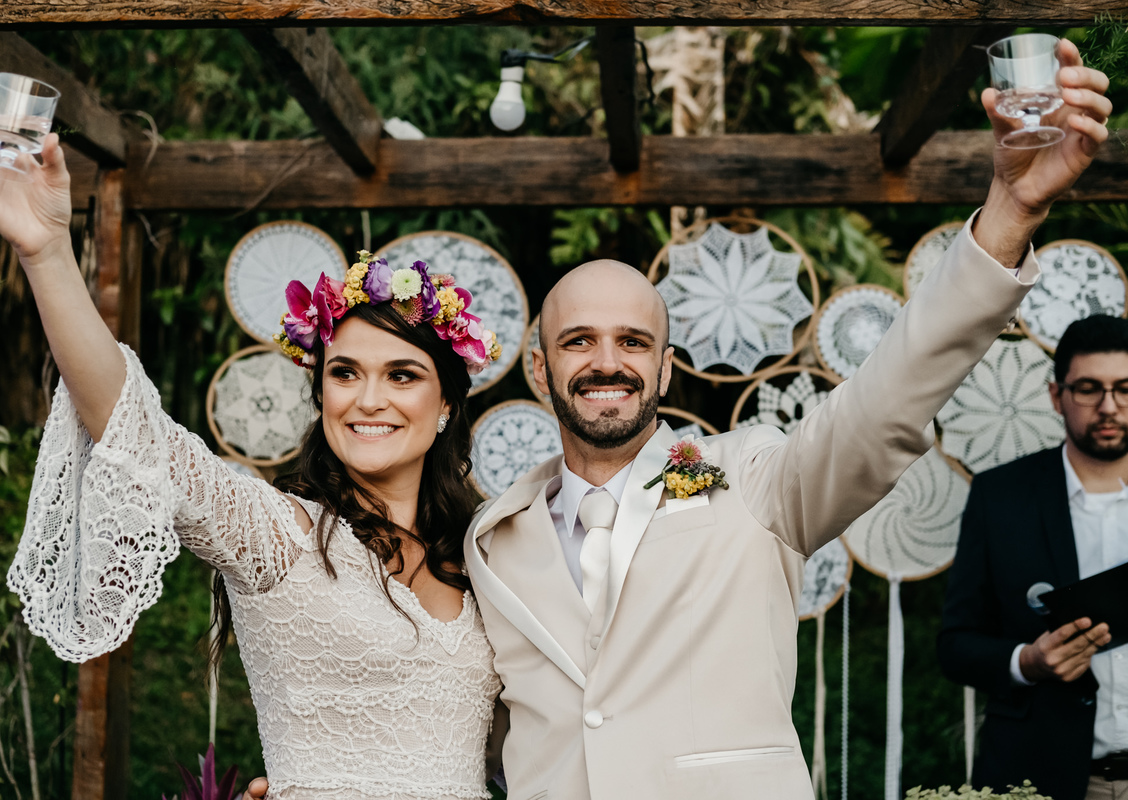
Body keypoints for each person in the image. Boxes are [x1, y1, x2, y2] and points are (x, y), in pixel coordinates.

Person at [241, 39, 1110, 800]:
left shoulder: (760, 481)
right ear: (541, 368)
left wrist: (1010, 215)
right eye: (578, 340)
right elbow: (451, 721)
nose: (606, 361)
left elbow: (891, 396)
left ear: (663, 364)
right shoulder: (487, 542)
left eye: (631, 340)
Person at [0, 94, 508, 800]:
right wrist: (46, 251)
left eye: (402, 375)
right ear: (320, 393)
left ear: (447, 401)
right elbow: (133, 427)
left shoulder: (487, 557)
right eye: (345, 373)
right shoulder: (278, 536)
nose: (369, 400)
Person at [938, 314, 1128, 800]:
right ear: (1056, 396)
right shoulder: (1000, 497)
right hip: (1046, 775)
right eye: (1088, 388)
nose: (1110, 406)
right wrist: (1027, 661)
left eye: (1125, 388)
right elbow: (955, 645)